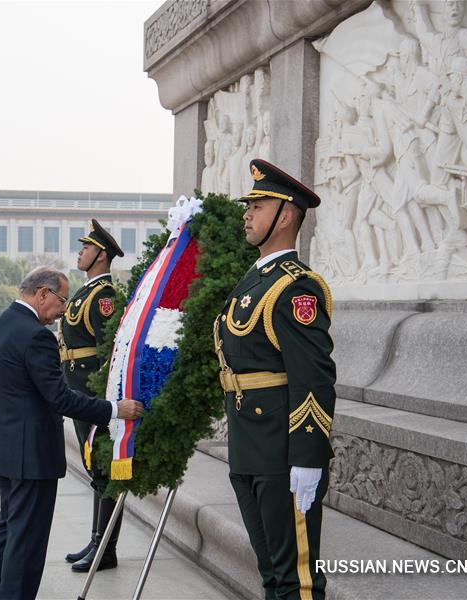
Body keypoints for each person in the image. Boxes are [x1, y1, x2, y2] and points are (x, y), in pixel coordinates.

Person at [0, 267, 144, 600]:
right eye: (62, 301)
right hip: (30, 456)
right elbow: (60, 397)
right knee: (26, 543)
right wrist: (114, 409)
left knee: (7, 532)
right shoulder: (35, 335)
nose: (64, 311)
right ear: (42, 294)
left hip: (3, 449)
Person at [214, 159, 336, 600]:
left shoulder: (295, 288)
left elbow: (315, 378)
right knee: (272, 574)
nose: (246, 213)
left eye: (258, 206)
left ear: (285, 216)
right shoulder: (256, 279)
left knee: (297, 580)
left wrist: (307, 457)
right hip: (250, 446)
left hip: (282, 451)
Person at [59, 219, 125, 573]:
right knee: (95, 469)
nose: (80, 252)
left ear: (102, 255)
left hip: (92, 395)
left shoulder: (103, 297)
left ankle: (106, 548)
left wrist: (103, 401)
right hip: (78, 392)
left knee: (103, 470)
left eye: (86, 247)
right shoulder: (86, 292)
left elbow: (109, 352)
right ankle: (97, 540)